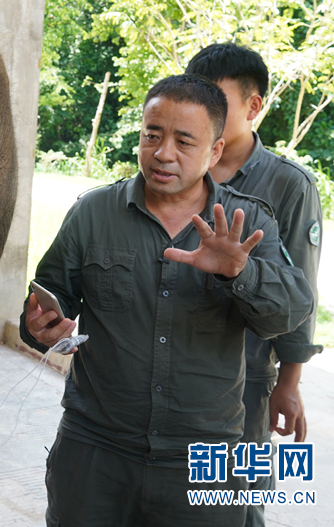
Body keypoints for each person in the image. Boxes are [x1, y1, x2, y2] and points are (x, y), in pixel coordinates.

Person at [20, 74, 313, 527]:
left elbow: (289, 314)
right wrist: (39, 327)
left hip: (206, 458)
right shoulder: (93, 213)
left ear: (214, 151)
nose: (163, 153)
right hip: (96, 449)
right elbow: (47, 301)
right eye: (152, 135)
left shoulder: (247, 221)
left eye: (183, 140)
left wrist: (241, 271)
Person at [186, 43, 323, 527]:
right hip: (177, 367)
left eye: (220, 103)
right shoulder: (177, 165)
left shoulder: (288, 184)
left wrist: (289, 383)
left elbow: (299, 291)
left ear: (254, 106)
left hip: (247, 377)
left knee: (233, 501)